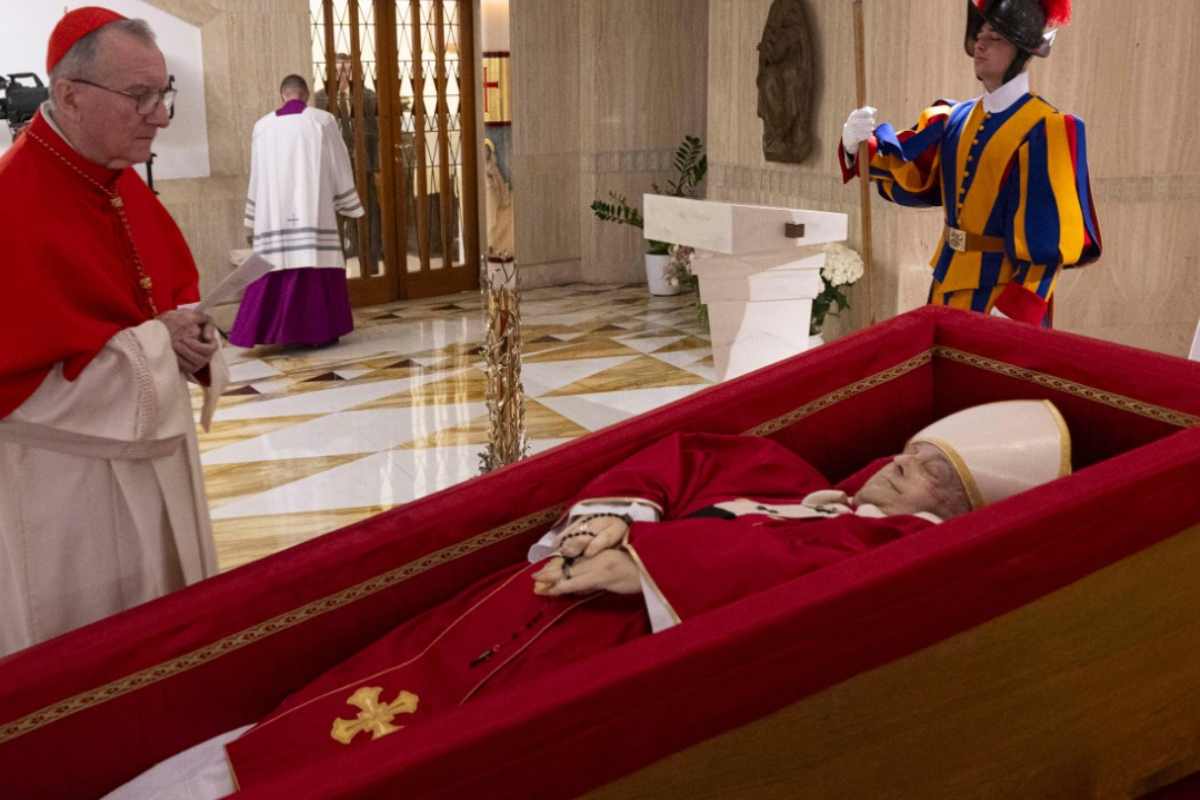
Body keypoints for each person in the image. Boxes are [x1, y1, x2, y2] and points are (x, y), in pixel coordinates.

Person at [105, 400, 1070, 798]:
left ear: (960, 507)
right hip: (532, 599)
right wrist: (608, 521)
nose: (898, 466)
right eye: (910, 451)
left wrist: (654, 565)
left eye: (929, 471)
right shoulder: (804, 483)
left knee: (424, 750)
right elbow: (690, 456)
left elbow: (808, 582)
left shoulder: (901, 548)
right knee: (367, 684)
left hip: (609, 647)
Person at [0, 7, 225, 656]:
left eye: (163, 94)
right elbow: (21, 391)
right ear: (70, 95)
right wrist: (157, 346)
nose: (160, 116)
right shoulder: (12, 199)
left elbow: (166, 299)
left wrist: (193, 339)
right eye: (140, 96)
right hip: (65, 485)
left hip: (154, 455)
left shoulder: (119, 181)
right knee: (90, 654)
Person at [839, 0, 1101, 326]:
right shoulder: (954, 118)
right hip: (945, 287)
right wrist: (856, 145)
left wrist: (1015, 310)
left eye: (996, 37)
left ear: (1021, 50)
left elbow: (1050, 242)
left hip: (1001, 300)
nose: (980, 44)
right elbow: (912, 173)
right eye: (980, 34)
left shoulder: (1046, 128)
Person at [230, 74, 364, 348]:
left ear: (282, 95)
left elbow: (257, 173)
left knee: (274, 263)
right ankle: (318, 332)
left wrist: (253, 213)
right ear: (306, 94)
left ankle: (270, 333)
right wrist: (346, 201)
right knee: (313, 260)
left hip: (273, 213)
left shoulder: (262, 126)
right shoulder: (322, 121)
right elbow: (339, 162)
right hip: (311, 208)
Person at [314, 52, 383, 267]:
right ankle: (337, 265)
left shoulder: (368, 97)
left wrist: (376, 167)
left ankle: (370, 264)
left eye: (348, 70)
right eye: (338, 71)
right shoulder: (319, 99)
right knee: (336, 217)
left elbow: (377, 134)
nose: (343, 76)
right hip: (333, 170)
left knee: (367, 215)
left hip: (362, 166)